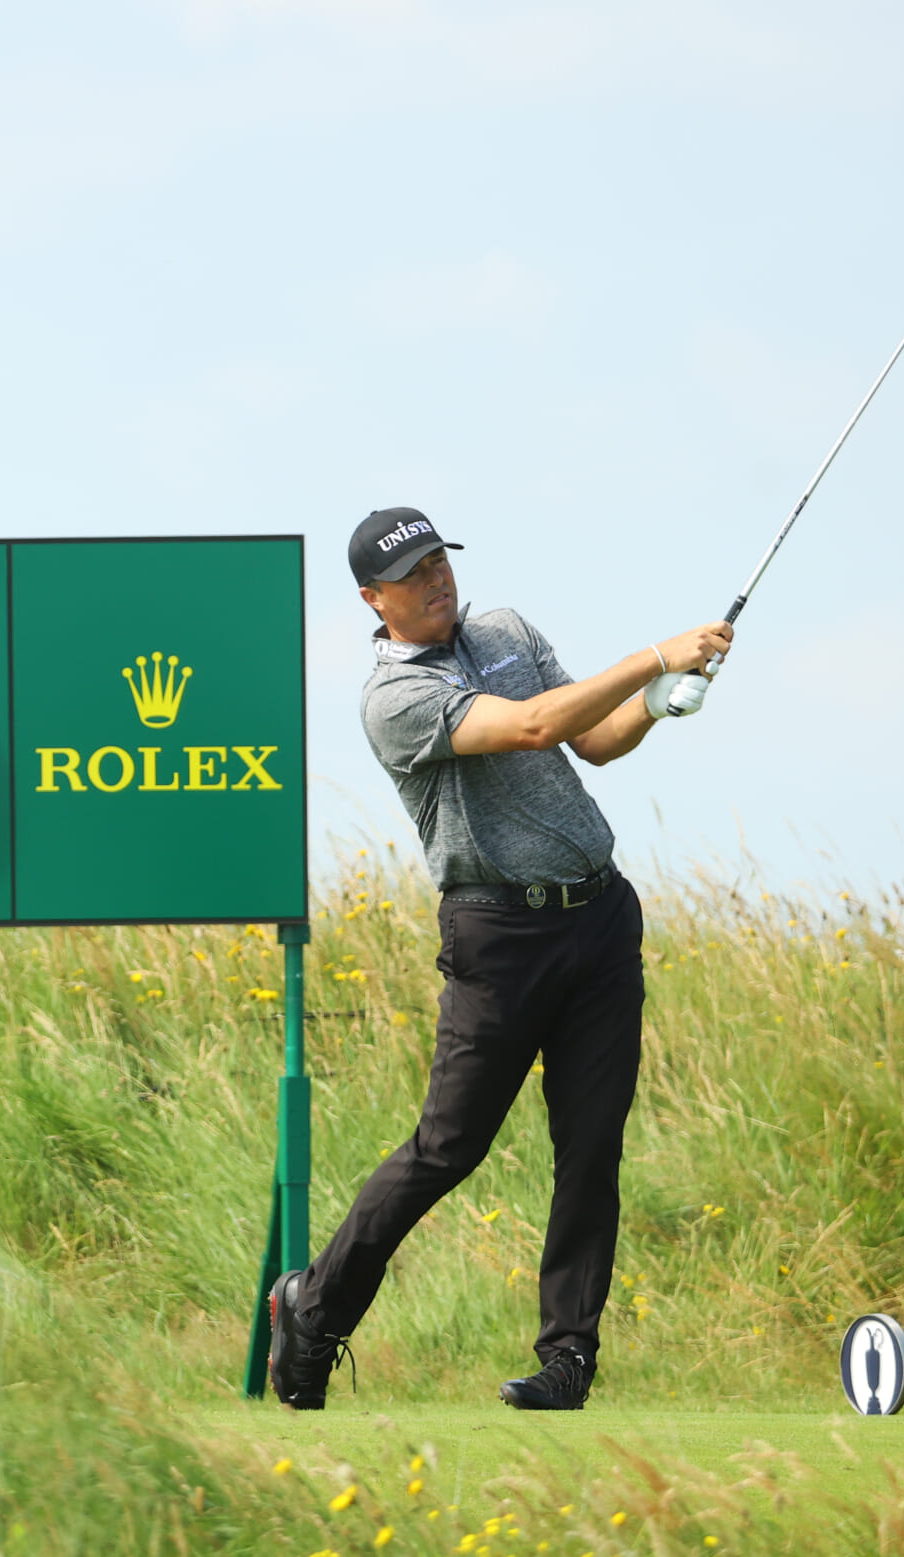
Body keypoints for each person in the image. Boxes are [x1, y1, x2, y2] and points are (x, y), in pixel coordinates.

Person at [267, 507, 732, 1412]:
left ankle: (568, 1360)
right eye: (413, 575)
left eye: (440, 560)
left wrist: (654, 707)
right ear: (374, 599)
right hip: (497, 939)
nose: (436, 580)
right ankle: (312, 1313)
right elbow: (526, 726)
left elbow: (587, 739)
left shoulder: (507, 630)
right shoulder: (390, 699)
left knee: (591, 1146)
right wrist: (654, 656)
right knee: (448, 1149)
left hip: (598, 918)